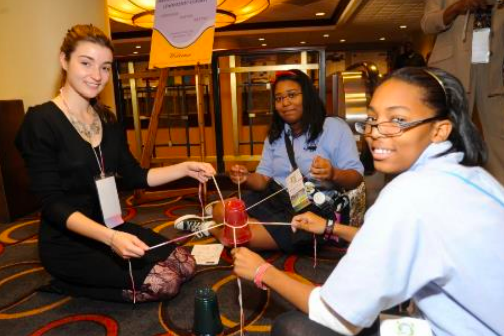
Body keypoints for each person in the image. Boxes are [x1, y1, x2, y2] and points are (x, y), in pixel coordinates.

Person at [232, 67, 504, 336]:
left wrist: (262, 271)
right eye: (372, 119)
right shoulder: (476, 177)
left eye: (397, 119)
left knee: (291, 327)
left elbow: (333, 313)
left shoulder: (408, 194)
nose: (374, 132)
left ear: (440, 130)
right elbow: (406, 236)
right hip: (442, 320)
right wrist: (330, 227)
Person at [15, 24, 216, 303]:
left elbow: (135, 175)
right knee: (165, 283)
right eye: (86, 63)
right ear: (64, 60)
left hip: (112, 226)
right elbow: (52, 204)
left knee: (186, 263)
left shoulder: (107, 120)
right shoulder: (40, 121)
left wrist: (185, 168)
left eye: (106, 67)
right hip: (69, 241)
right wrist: (109, 239)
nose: (97, 76)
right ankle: (67, 284)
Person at [175, 69, 364, 252]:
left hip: (312, 209)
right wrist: (246, 177)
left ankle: (208, 228)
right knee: (220, 209)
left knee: (243, 236)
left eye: (292, 95)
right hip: (276, 197)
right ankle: (221, 221)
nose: (285, 103)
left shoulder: (333, 127)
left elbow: (356, 177)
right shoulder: (276, 134)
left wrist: (333, 173)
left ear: (307, 96)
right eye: (279, 98)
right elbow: (262, 180)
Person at [421, 0, 504, 185]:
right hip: (454, 65)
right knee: (450, 132)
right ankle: (446, 187)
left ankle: (500, 197)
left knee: (500, 134)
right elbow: (427, 23)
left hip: (494, 65)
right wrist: (457, 7)